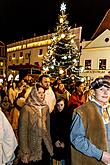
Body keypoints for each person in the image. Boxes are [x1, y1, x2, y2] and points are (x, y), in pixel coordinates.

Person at [70, 76, 110, 165]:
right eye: (101, 89)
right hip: (92, 160)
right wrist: (100, 155)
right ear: (93, 92)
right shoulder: (83, 111)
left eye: (108, 89)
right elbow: (76, 139)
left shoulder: (108, 108)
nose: (105, 92)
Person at [18, 83, 54, 165]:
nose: (42, 95)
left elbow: (48, 128)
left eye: (43, 92)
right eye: (39, 92)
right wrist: (25, 151)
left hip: (45, 145)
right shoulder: (27, 108)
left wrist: (50, 143)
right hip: (32, 146)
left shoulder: (46, 107)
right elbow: (22, 131)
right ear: (34, 93)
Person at [50, 97, 71, 165]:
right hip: (56, 142)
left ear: (65, 104)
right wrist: (55, 140)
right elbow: (51, 129)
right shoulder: (53, 114)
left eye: (61, 105)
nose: (60, 107)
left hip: (66, 142)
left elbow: (69, 131)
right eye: (58, 105)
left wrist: (65, 142)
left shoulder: (69, 115)